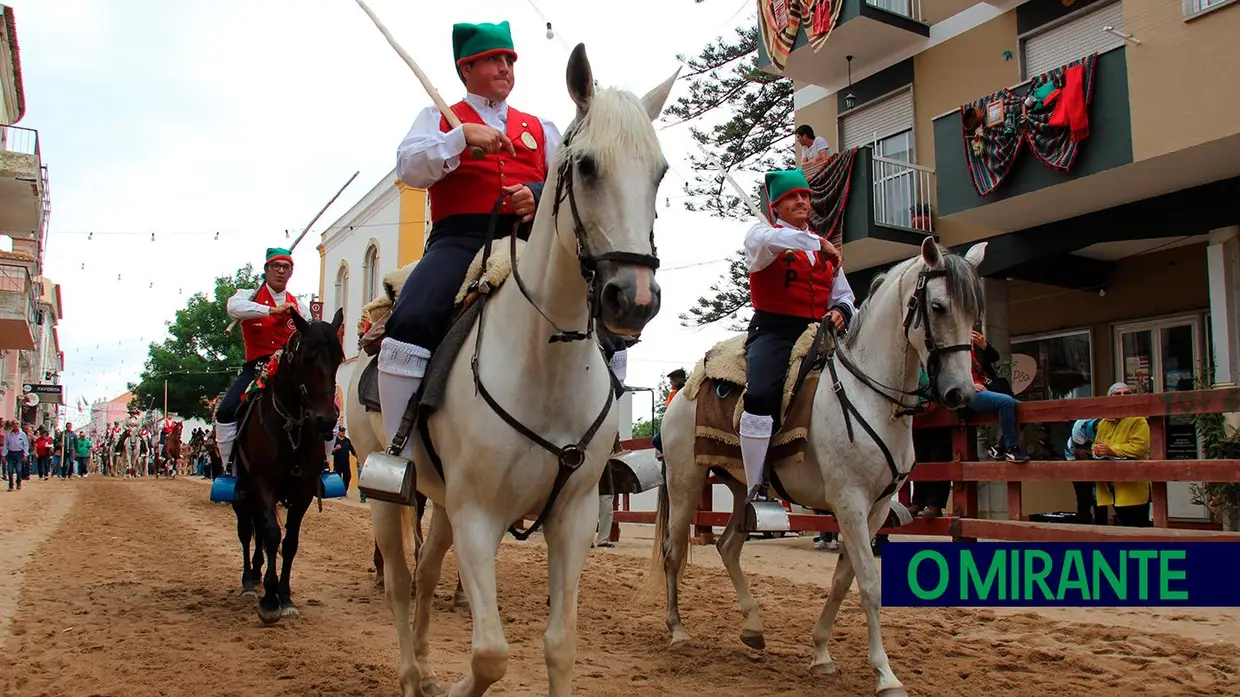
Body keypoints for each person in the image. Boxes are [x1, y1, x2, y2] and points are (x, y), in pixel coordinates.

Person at [376, 20, 564, 458]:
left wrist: (536, 195)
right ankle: (397, 452)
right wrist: (459, 139)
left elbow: (565, 185)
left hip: (528, 240)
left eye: (510, 60)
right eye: (494, 59)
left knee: (601, 312)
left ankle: (598, 450)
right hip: (458, 240)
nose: (505, 67)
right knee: (411, 321)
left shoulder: (540, 127)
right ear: (467, 68)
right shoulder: (438, 119)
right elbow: (408, 168)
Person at [740, 169, 853, 527]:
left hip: (820, 333)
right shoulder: (763, 238)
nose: (802, 201)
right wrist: (819, 244)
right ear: (775, 207)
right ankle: (757, 486)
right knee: (760, 395)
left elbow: (846, 295)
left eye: (805, 195)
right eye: (792, 197)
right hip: (774, 330)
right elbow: (765, 240)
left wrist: (839, 310)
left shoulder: (823, 247)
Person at [215, 247, 302, 475]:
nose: (281, 271)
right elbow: (233, 308)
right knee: (225, 412)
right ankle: (229, 469)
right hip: (257, 367)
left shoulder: (299, 305)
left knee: (327, 412)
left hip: (291, 368)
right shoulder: (247, 295)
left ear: (291, 272)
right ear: (266, 270)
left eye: (286, 267)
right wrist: (273, 310)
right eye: (276, 266)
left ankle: (321, 466)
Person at [1092, 382, 1151, 527]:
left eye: (1126, 394)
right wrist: (1097, 450)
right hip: (1111, 484)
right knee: (1123, 524)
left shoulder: (1138, 420)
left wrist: (1111, 450)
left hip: (1133, 484)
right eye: (1117, 394)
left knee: (1138, 526)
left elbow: (1139, 447)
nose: (1122, 397)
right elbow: (1096, 444)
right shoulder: (1103, 423)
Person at [968, 325, 1030, 462]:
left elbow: (995, 357)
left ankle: (1000, 447)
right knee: (1006, 402)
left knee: (1024, 409)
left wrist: (983, 345)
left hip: (987, 388)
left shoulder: (976, 347)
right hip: (968, 392)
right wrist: (970, 385)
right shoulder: (954, 351)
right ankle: (1012, 449)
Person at [651, 368, 687, 460]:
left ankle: (670, 454)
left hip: (680, 427)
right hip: (673, 426)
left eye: (671, 380)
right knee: (657, 440)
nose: (670, 382)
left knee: (656, 440)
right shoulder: (673, 394)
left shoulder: (685, 392)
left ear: (676, 381)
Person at [331, 425, 357, 494]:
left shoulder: (347, 440)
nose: (343, 432)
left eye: (344, 431)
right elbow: (330, 452)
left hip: (346, 463)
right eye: (342, 431)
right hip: (337, 463)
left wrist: (357, 457)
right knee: (337, 478)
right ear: (338, 432)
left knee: (347, 476)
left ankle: (344, 491)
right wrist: (335, 449)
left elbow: (352, 451)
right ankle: (337, 492)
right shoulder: (334, 440)